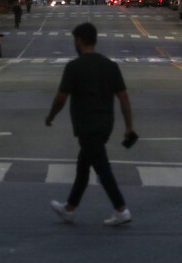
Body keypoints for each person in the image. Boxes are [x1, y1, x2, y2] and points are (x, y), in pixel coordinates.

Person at [45, 22, 135, 227]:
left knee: (102, 168)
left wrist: (51, 116)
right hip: (105, 125)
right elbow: (123, 98)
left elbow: (61, 98)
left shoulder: (74, 67)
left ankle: (121, 209)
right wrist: (129, 126)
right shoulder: (110, 66)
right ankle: (69, 208)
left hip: (86, 124)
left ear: (79, 41)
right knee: (83, 167)